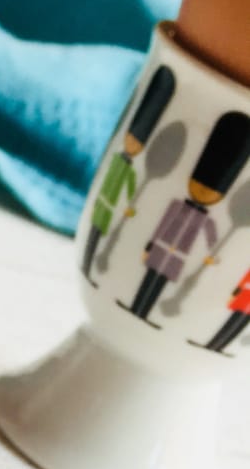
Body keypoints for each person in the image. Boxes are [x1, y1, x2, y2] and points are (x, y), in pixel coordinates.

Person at [119, 110, 250, 325]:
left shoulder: (205, 219)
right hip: (163, 247)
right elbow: (164, 224)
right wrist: (150, 245)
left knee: (159, 282)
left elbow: (211, 235)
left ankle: (143, 314)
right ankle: (136, 307)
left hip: (178, 256)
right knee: (149, 277)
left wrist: (213, 253)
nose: (205, 193)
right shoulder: (177, 206)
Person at [81, 66, 175, 285]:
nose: (133, 144)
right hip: (105, 204)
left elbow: (130, 182)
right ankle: (88, 265)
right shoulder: (120, 160)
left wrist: (130, 199)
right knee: (96, 234)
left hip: (112, 206)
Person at [192, 268, 250, 355]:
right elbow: (244, 281)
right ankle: (213, 345)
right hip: (244, 301)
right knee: (232, 324)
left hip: (246, 302)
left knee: (238, 325)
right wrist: (235, 294)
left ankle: (218, 346)